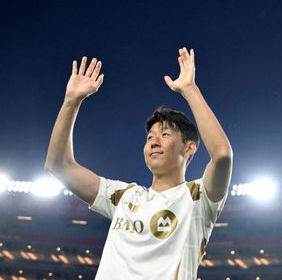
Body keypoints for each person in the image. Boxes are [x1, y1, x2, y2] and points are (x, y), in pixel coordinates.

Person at [45, 47, 233, 280]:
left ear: (189, 147)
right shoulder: (123, 196)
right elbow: (58, 165)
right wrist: (71, 102)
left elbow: (222, 155)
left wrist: (189, 89)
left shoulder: (199, 199)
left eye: (165, 134)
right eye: (149, 137)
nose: (154, 141)